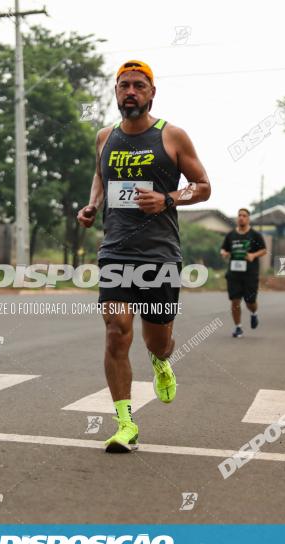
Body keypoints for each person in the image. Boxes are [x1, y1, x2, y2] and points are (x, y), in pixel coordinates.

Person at [76, 60, 211, 453]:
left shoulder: (172, 137)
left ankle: (161, 360)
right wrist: (91, 205)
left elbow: (202, 186)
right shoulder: (105, 137)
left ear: (152, 93)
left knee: (158, 341)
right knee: (117, 330)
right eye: (123, 86)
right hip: (116, 250)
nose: (130, 92)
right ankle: (125, 424)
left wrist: (168, 198)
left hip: (159, 254)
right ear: (115, 93)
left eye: (138, 85)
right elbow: (101, 176)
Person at [220, 209, 266, 338]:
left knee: (250, 301)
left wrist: (253, 255)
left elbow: (263, 250)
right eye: (239, 215)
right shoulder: (230, 235)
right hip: (234, 273)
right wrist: (223, 253)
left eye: (244, 216)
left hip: (250, 274)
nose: (241, 218)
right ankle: (238, 327)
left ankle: (254, 313)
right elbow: (224, 249)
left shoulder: (255, 235)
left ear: (248, 218)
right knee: (235, 301)